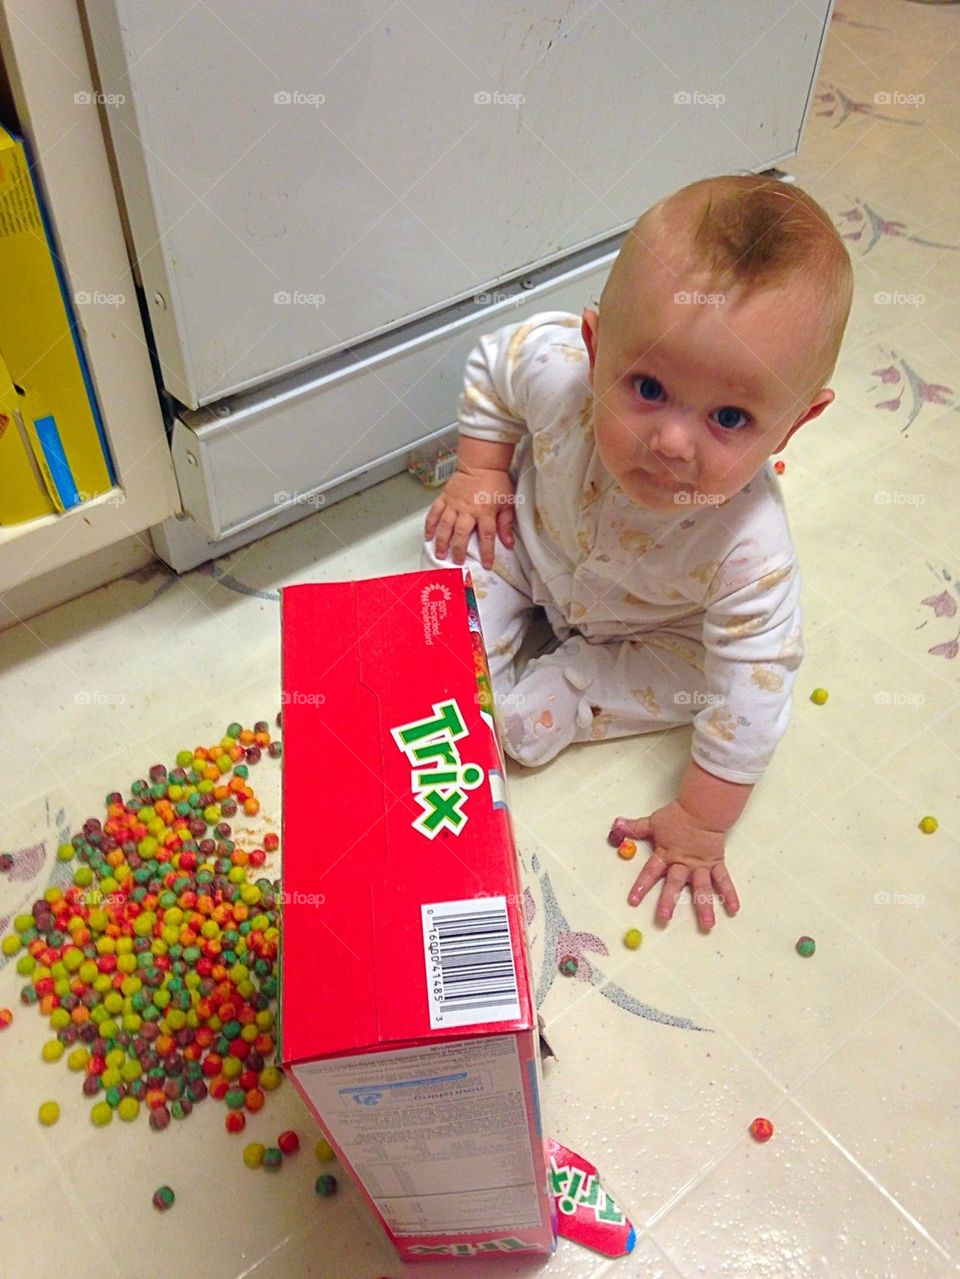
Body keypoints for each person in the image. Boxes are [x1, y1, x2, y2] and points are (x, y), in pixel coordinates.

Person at [421, 174, 853, 929]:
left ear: (792, 426)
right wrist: (482, 471)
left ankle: (578, 685)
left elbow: (752, 692)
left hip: (662, 630)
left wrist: (702, 819)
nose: (672, 442)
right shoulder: (557, 372)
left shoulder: (752, 549)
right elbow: (495, 361)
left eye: (729, 416)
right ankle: (449, 676)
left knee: (699, 677)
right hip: (533, 543)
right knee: (452, 566)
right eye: (647, 386)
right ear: (594, 348)